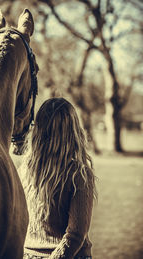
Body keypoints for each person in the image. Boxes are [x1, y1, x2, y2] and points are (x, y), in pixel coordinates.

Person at [19, 97, 97, 259]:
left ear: (39, 130)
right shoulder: (79, 173)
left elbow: (74, 235)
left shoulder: (77, 173)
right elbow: (76, 235)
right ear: (74, 130)